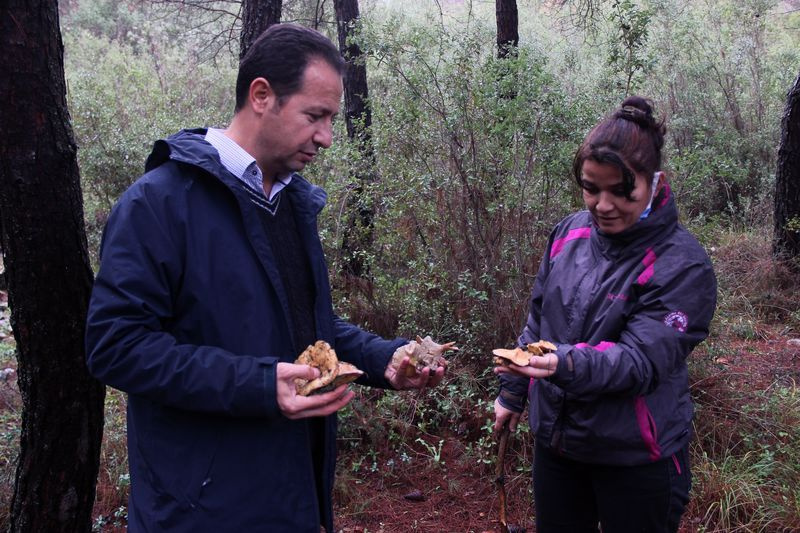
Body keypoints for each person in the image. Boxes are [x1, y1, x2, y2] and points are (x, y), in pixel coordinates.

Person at [85, 23, 444, 533]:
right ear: (261, 96)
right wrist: (256, 385)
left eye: (331, 120)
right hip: (198, 510)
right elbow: (115, 346)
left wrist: (383, 359)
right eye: (314, 116)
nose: (325, 137)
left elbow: (308, 327)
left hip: (290, 496)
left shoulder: (290, 203)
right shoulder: (159, 203)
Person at [493, 96, 717, 533]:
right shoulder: (569, 233)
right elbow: (538, 318)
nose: (603, 204)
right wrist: (512, 394)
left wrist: (562, 363)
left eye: (620, 190)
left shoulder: (681, 264)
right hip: (559, 448)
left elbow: (641, 363)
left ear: (655, 182)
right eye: (591, 187)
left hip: (636, 458)